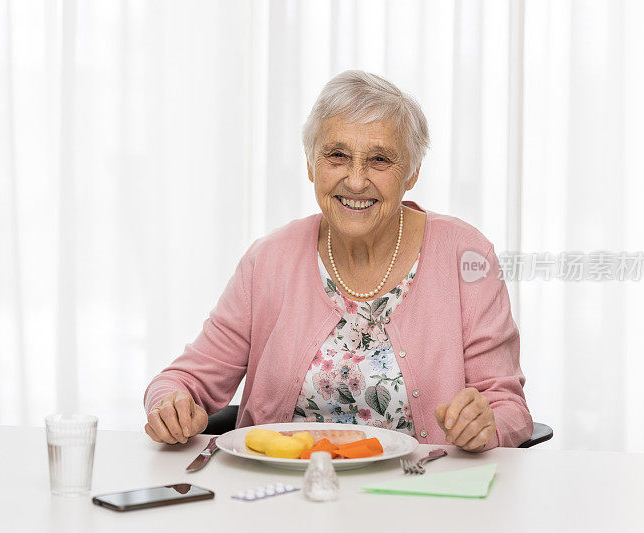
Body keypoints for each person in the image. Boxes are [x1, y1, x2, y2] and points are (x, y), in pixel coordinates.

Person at [143, 70, 532, 452]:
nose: (357, 180)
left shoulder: (465, 253)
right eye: (337, 156)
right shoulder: (270, 260)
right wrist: (171, 405)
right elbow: (181, 380)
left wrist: (486, 424)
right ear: (311, 165)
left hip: (420, 496)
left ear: (412, 172)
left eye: (379, 159)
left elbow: (508, 407)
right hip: (281, 497)